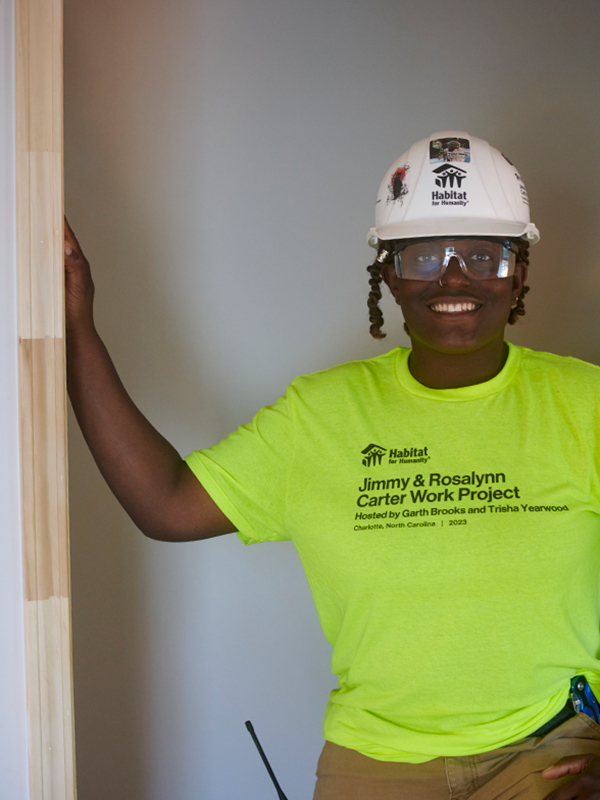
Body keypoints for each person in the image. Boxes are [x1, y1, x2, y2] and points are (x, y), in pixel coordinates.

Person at [65, 130, 600, 800]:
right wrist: (76, 323)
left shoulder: (585, 404)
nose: (455, 277)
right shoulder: (320, 417)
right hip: (375, 766)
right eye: (426, 253)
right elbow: (165, 503)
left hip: (553, 755)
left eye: (484, 253)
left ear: (518, 270)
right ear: (387, 271)